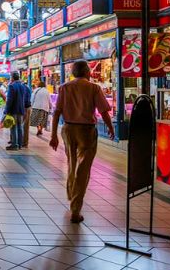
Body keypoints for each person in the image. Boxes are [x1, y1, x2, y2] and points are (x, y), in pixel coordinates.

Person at [50, 60, 114, 223]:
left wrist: (53, 135)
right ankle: (75, 209)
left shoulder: (64, 87)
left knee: (72, 164)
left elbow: (57, 112)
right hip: (86, 131)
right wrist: (110, 127)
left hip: (69, 130)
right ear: (88, 72)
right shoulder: (93, 88)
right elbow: (104, 111)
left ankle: (72, 195)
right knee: (83, 170)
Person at [4, 71, 31, 151]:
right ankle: (19, 144)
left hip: (13, 110)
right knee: (20, 127)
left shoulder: (12, 86)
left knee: (13, 127)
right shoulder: (23, 86)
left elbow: (9, 100)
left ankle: (14, 144)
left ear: (12, 77)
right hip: (21, 110)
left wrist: (7, 110)